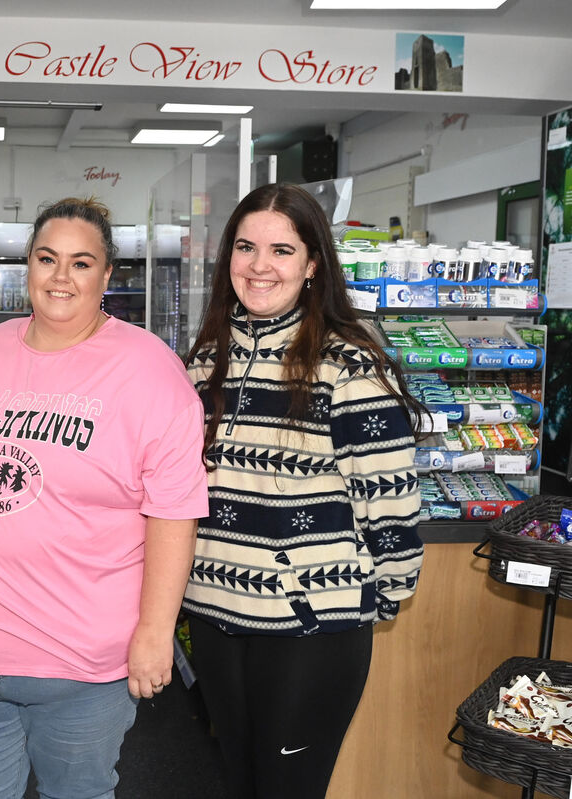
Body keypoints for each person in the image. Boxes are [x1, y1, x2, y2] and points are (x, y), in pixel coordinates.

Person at [0, 197, 209, 799]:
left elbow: (174, 512)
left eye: (81, 263)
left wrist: (156, 633)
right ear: (27, 264)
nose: (60, 277)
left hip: (80, 662)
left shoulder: (149, 370)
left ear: (107, 275)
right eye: (47, 258)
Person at [182, 183, 424, 799]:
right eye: (245, 247)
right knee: (236, 782)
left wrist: (384, 593)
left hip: (310, 629)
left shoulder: (349, 366)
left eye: (281, 250)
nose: (260, 266)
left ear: (313, 264)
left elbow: (389, 503)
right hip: (213, 611)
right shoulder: (202, 359)